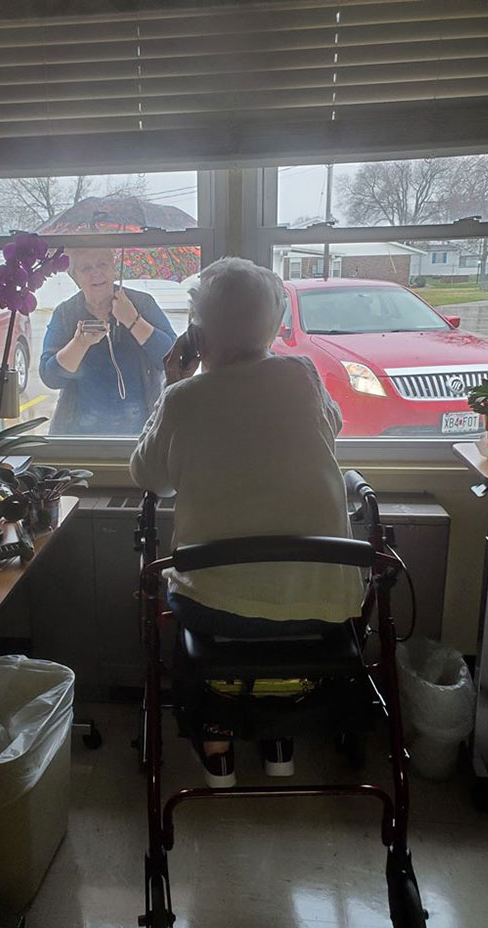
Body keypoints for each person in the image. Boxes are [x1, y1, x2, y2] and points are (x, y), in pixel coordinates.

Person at [130, 257, 362, 787]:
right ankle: (279, 735)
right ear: (274, 326)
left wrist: (172, 383)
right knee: (276, 614)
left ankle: (218, 743)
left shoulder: (183, 397)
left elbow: (150, 477)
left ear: (197, 332)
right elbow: (335, 427)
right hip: (319, 609)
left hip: (215, 612)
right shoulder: (301, 375)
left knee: (212, 610)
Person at [39, 247, 176, 435]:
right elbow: (50, 377)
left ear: (113, 268)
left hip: (142, 432)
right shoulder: (65, 313)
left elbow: (172, 360)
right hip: (80, 433)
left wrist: (133, 320)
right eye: (85, 268)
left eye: (102, 264)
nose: (96, 273)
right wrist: (80, 344)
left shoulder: (142, 303)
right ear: (75, 276)